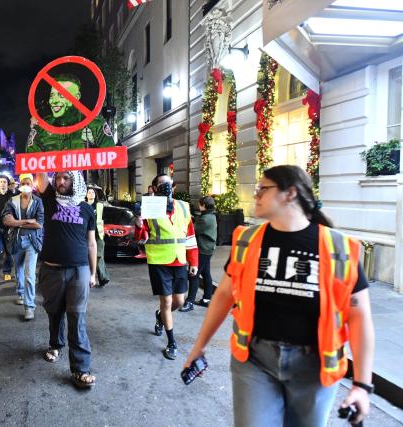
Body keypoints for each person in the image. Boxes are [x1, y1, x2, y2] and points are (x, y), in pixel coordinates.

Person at [183, 165, 374, 426]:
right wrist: (199, 345)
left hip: (314, 368)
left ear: (289, 193)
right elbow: (224, 293)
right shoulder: (247, 240)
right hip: (254, 362)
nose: (256, 195)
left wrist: (362, 386)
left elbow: (359, 316)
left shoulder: (338, 246)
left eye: (263, 189)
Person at [36, 170, 97, 389]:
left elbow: (91, 243)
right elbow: (41, 176)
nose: (60, 182)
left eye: (66, 178)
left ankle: (81, 369)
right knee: (54, 312)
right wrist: (42, 147)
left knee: (76, 317)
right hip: (51, 270)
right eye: (58, 178)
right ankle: (55, 344)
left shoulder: (87, 209)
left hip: (79, 271)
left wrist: (92, 272)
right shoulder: (51, 199)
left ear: (75, 181)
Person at [134, 174, 198, 360]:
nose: (166, 186)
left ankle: (160, 316)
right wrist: (139, 226)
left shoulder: (184, 208)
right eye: (161, 184)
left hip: (179, 260)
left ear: (174, 187)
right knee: (167, 303)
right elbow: (142, 238)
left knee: (179, 301)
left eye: (168, 183)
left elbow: (190, 236)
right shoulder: (150, 207)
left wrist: (194, 261)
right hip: (159, 261)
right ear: (154, 188)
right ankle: (171, 342)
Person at [26, 74, 115, 152]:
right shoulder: (41, 128)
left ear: (77, 97)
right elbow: (29, 163)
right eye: (52, 95)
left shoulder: (95, 126)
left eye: (62, 95)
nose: (54, 101)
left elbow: (112, 158)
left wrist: (92, 145)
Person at [2, 174, 44, 320]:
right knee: (18, 269)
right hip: (16, 240)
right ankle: (20, 293)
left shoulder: (38, 201)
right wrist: (27, 221)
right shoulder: (12, 201)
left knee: (29, 274)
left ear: (32, 184)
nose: (26, 184)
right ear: (20, 184)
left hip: (32, 242)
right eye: (23, 182)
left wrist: (17, 221)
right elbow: (7, 221)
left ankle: (29, 306)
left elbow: (39, 223)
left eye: (28, 182)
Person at [181, 196, 217, 311]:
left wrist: (187, 219)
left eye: (200, 204)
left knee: (194, 274)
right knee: (206, 274)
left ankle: (190, 302)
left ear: (204, 206)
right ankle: (206, 299)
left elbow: (192, 229)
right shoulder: (211, 216)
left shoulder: (205, 219)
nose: (199, 206)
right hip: (208, 249)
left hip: (202, 250)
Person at [85, 185, 110, 287]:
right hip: (87, 235)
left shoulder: (100, 205)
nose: (91, 194)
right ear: (86, 195)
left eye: (93, 192)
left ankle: (103, 277)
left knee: (99, 256)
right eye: (89, 192)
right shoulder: (83, 205)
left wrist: (105, 230)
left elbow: (103, 219)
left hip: (98, 235)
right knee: (89, 257)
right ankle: (93, 277)